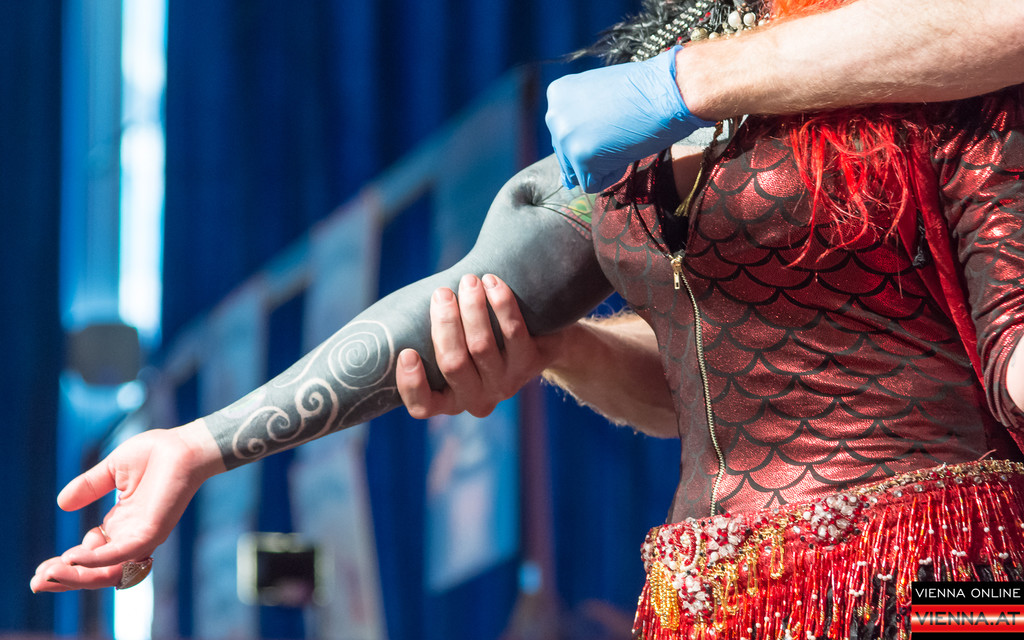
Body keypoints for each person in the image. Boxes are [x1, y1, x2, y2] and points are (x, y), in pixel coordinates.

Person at [30, 0, 1024, 637]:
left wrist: (681, 83)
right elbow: (477, 292)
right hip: (706, 601)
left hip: (948, 583)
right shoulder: (653, 97)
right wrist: (197, 446)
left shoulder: (963, 75)